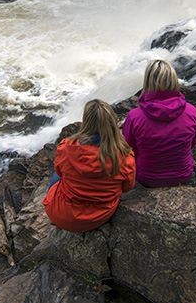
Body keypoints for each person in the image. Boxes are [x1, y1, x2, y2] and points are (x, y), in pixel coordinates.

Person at [43, 99, 136, 233]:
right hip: (98, 218)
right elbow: (127, 187)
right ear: (113, 123)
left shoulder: (66, 147)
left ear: (86, 122)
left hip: (60, 216)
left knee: (58, 172)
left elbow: (59, 171)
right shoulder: (125, 157)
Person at [122, 59, 196, 187]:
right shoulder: (192, 111)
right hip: (183, 175)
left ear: (147, 82)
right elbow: (193, 144)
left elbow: (128, 150)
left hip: (147, 178)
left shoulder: (134, 117)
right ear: (174, 80)